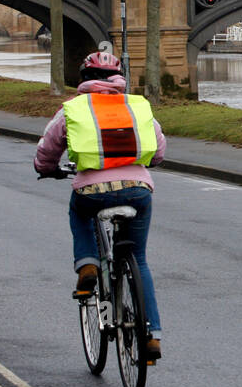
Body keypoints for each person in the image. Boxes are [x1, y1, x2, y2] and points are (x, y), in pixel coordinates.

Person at [34, 51, 168, 360]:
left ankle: (88, 265)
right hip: (137, 190)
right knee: (139, 260)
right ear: (120, 79)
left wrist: (45, 168)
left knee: (79, 212)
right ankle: (152, 336)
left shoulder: (72, 109)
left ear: (83, 80)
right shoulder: (137, 107)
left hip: (92, 190)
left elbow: (48, 149)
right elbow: (158, 151)